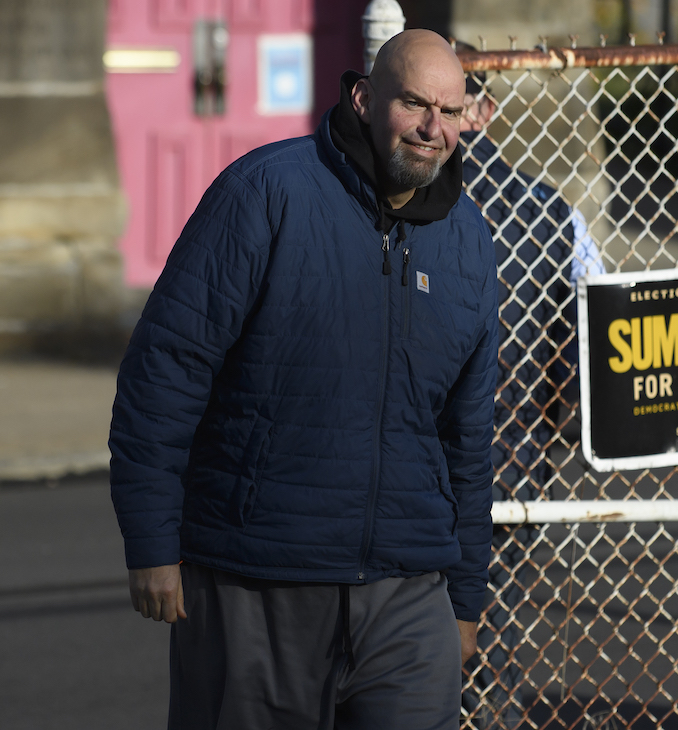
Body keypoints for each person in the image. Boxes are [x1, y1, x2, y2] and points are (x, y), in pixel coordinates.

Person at [109, 30, 498, 729]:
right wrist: (151, 541)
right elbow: (165, 369)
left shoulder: (469, 239)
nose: (432, 129)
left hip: (408, 596)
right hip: (253, 581)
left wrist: (465, 597)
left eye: (450, 110)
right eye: (413, 104)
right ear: (363, 98)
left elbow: (469, 437)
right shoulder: (266, 192)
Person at [453, 52, 603, 728]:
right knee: (494, 625)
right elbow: (593, 331)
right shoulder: (553, 214)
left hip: (400, 457)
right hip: (510, 455)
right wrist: (555, 424)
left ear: (482, 112)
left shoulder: (371, 193)